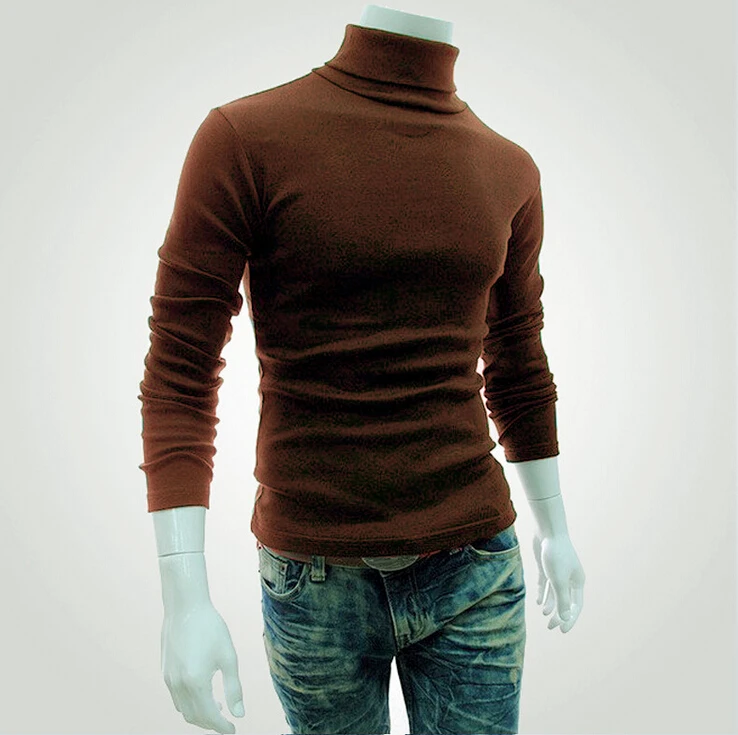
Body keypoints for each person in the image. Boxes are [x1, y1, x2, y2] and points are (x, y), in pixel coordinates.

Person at [139, 4, 586, 734]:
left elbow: (519, 361)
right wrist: (182, 598)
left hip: (476, 563)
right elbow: (180, 371)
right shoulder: (245, 139)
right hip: (314, 577)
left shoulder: (510, 167)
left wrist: (554, 528)